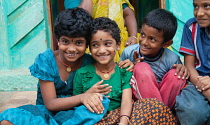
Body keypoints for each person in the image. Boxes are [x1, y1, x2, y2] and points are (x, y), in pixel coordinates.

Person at [0, 8, 132, 125]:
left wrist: (130, 63)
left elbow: (109, 66)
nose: (71, 49)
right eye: (65, 42)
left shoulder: (89, 61)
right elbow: (51, 103)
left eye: (79, 42)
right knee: (8, 119)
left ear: (87, 44)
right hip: (46, 112)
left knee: (98, 106)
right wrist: (83, 96)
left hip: (76, 112)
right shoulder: (46, 61)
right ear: (58, 40)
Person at [73, 17, 177, 124]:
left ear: (118, 45)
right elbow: (76, 104)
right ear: (89, 48)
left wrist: (123, 121)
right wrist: (89, 94)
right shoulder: (82, 73)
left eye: (107, 44)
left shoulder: (123, 70)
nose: (102, 50)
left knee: (151, 106)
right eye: (95, 45)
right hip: (93, 119)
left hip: (121, 117)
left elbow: (126, 101)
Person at [120, 9, 189, 110]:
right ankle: (159, 115)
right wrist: (132, 68)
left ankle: (158, 114)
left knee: (177, 74)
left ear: (166, 44)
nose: (144, 42)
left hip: (165, 101)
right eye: (142, 35)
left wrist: (183, 70)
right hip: (139, 104)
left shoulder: (172, 59)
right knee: (141, 67)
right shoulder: (128, 52)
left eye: (152, 39)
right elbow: (120, 80)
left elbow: (174, 88)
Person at [64, 0, 138, 62]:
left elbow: (128, 13)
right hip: (93, 48)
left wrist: (133, 36)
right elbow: (83, 18)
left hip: (119, 44)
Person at [175, 0, 210, 124]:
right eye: (196, 6)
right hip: (197, 81)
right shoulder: (191, 27)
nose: (199, 13)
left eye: (206, 6)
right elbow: (189, 67)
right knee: (192, 111)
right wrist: (207, 90)